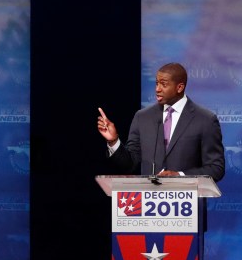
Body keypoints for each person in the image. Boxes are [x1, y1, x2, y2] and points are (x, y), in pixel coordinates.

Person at [96, 62, 225, 182]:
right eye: (156, 83)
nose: (157, 89)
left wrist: (180, 176)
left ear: (179, 87)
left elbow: (216, 168)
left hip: (186, 202)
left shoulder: (205, 119)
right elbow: (130, 165)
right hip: (150, 202)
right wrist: (113, 141)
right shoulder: (142, 117)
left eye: (163, 84)